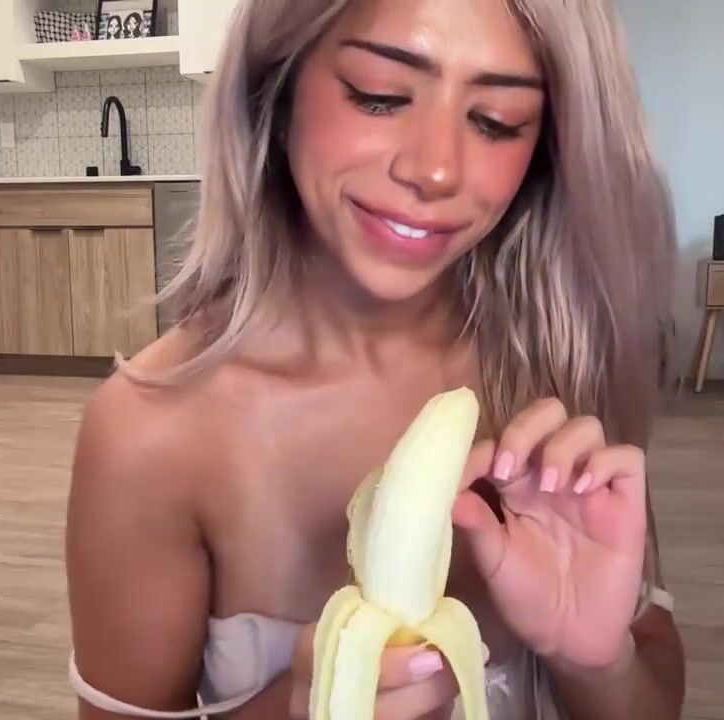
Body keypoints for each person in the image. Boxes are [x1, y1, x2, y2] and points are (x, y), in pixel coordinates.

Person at [64, 0, 684, 717]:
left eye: (497, 121)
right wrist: (302, 705)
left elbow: (654, 695)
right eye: (379, 95)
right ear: (277, 88)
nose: (436, 170)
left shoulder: (560, 364)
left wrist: (593, 659)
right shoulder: (152, 429)